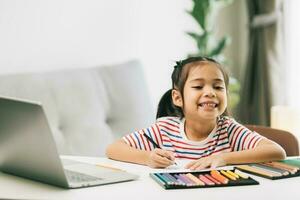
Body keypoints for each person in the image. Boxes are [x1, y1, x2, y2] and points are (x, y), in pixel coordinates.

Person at [106, 56, 286, 170]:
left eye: (217, 86)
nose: (210, 92)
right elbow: (113, 148)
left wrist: (224, 158)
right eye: (198, 86)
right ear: (178, 98)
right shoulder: (164, 129)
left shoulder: (229, 130)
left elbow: (277, 151)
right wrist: (147, 158)